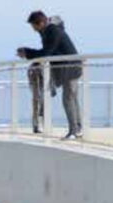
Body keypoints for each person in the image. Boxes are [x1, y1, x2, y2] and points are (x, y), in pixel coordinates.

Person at [17, 11, 83, 140]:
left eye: (34, 26)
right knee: (72, 98)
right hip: (69, 67)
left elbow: (47, 52)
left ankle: (74, 131)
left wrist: (27, 52)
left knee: (68, 99)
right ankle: (77, 129)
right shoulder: (48, 31)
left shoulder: (52, 31)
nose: (34, 30)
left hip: (70, 67)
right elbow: (49, 53)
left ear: (41, 23)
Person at [28, 62, 45, 134]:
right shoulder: (32, 68)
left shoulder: (40, 67)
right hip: (37, 89)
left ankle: (38, 126)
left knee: (41, 108)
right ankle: (36, 126)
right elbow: (31, 80)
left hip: (40, 89)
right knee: (37, 108)